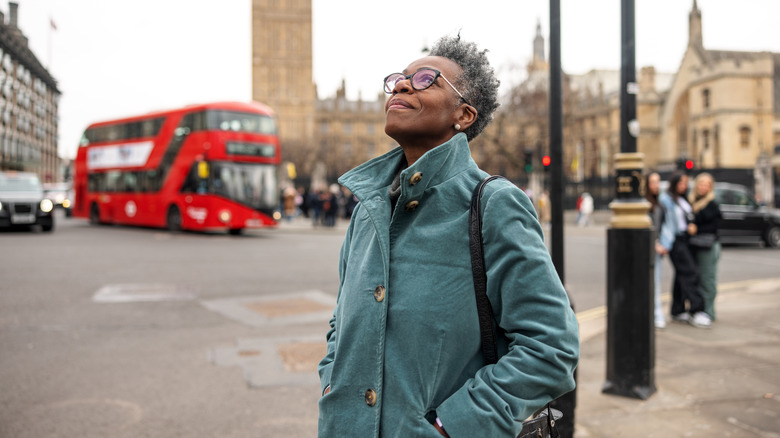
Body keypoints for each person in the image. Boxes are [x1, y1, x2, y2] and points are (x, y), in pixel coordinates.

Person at [317, 35, 579, 437]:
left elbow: (550, 347)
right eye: (399, 79)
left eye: (426, 79)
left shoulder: (492, 205)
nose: (402, 85)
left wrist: (450, 427)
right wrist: (333, 382)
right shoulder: (367, 210)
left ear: (464, 115)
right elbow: (342, 321)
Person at [658, 171, 710, 328]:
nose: (684, 186)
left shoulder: (683, 199)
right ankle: (696, 311)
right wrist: (661, 242)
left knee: (681, 276)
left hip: (686, 239)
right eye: (681, 183)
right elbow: (663, 223)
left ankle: (677, 310)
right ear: (674, 183)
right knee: (691, 273)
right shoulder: (666, 200)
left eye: (685, 183)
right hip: (675, 241)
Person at [688, 173, 722, 321]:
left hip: (708, 245)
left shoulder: (712, 203)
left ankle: (709, 312)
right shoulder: (691, 200)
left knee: (708, 279)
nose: (704, 187)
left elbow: (716, 226)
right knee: (697, 279)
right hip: (695, 245)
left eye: (707, 184)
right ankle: (699, 309)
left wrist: (697, 229)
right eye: (701, 183)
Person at [645, 172, 667, 329]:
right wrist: (653, 243)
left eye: (658, 182)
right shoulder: (645, 203)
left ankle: (657, 314)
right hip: (647, 249)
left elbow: (663, 227)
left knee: (656, 283)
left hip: (656, 250)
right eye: (653, 182)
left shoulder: (660, 203)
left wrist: (662, 243)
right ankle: (653, 314)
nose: (656, 185)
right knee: (649, 283)